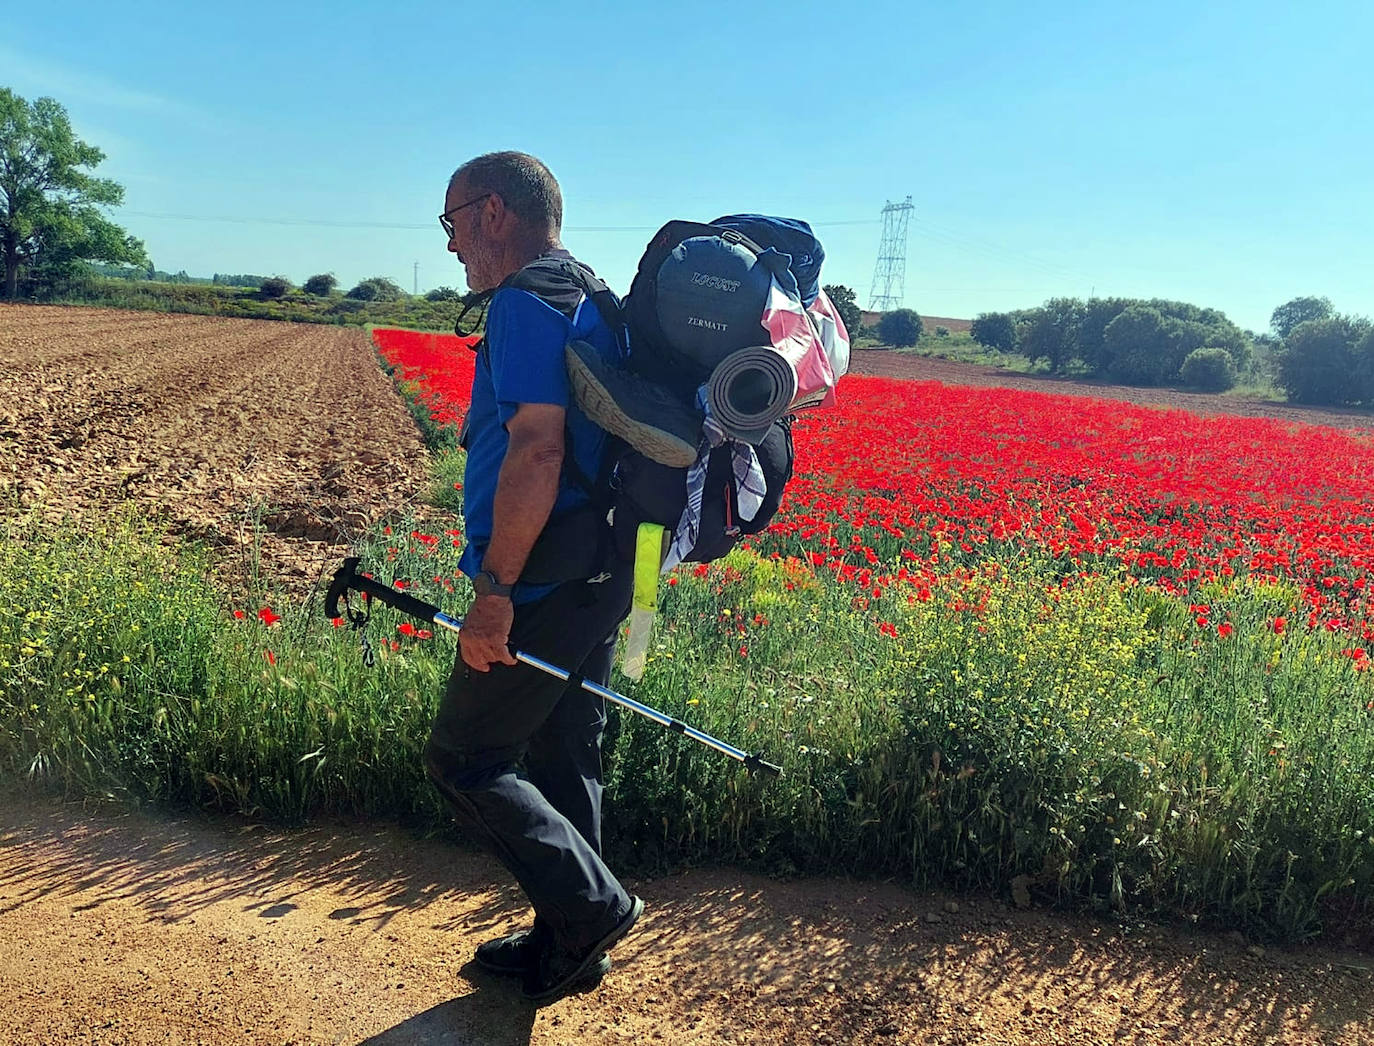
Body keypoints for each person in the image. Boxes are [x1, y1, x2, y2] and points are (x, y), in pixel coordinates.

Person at [422, 151, 643, 1004]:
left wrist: (496, 592)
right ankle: (570, 943)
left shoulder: (522, 303)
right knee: (562, 748)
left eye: (451, 224)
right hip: (605, 567)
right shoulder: (587, 291)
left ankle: (591, 910)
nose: (450, 246)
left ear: (494, 211)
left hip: (545, 578)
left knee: (465, 758)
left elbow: (539, 446)